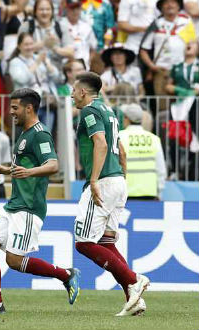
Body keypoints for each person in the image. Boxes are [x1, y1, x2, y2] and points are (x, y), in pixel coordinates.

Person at [0, 88, 80, 314]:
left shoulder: (40, 134)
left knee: (13, 260)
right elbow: (25, 167)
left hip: (29, 207)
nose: (11, 112)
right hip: (14, 204)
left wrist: (28, 173)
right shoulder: (25, 133)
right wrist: (7, 170)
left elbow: (53, 165)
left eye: (14, 108)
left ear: (28, 108)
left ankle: (65, 275)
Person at [71, 72, 149, 316]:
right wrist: (121, 177)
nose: (71, 94)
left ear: (83, 91)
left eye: (73, 90)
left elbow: (102, 144)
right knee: (106, 241)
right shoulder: (109, 111)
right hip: (117, 181)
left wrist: (94, 179)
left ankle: (133, 279)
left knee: (83, 243)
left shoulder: (89, 111)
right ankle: (133, 299)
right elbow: (121, 150)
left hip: (103, 181)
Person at [140, 0, 196, 101]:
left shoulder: (187, 21)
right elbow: (143, 49)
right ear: (161, 8)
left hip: (183, 70)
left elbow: (194, 44)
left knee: (185, 104)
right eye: (166, 3)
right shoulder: (156, 24)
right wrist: (153, 67)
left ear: (179, 6)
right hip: (163, 71)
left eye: (173, 2)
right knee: (162, 106)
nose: (170, 5)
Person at [8, 32, 60, 131]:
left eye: (31, 44)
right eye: (26, 44)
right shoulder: (15, 62)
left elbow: (56, 76)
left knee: (45, 137)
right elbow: (22, 79)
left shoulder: (39, 58)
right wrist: (37, 63)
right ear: (19, 46)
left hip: (46, 104)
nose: (29, 47)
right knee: (30, 138)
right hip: (27, 107)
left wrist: (48, 65)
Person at [118, 103, 166, 200]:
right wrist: (159, 191)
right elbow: (161, 169)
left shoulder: (119, 137)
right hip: (149, 193)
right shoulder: (154, 139)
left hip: (124, 193)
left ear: (127, 119)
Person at [18, 0, 73, 74]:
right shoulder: (27, 27)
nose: (45, 12)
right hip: (34, 72)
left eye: (48, 9)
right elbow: (19, 50)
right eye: (41, 9)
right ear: (35, 11)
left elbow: (71, 52)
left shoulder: (61, 27)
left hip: (57, 71)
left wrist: (54, 48)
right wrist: (43, 43)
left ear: (52, 11)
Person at [60, 0, 97, 69]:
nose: (75, 11)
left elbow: (93, 48)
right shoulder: (60, 25)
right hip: (65, 67)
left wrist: (88, 61)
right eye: (72, 8)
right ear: (67, 9)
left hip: (83, 67)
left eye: (78, 8)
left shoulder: (86, 27)